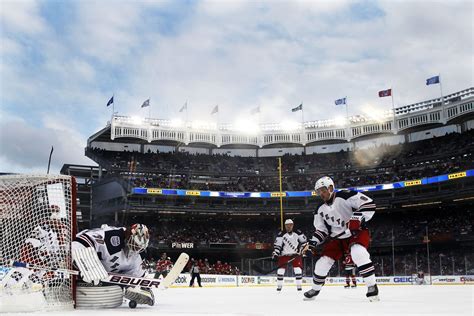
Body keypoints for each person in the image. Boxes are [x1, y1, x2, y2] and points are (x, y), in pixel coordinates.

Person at [303, 176, 379, 301]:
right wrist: (312, 242)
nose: (321, 193)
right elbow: (322, 230)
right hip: (337, 239)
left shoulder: (345, 195)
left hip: (356, 232)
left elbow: (369, 204)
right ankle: (315, 289)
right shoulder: (319, 209)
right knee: (322, 263)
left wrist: (357, 218)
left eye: (323, 190)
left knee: (358, 253)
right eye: (318, 191)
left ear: (331, 188)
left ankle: (372, 286)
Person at [72, 223, 155, 306]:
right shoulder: (111, 236)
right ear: (129, 236)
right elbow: (79, 242)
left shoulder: (140, 254)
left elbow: (137, 274)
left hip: (104, 278)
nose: (137, 249)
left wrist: (140, 286)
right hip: (81, 261)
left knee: (134, 283)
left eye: (140, 246)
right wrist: (87, 263)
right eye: (135, 244)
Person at [272, 219, 307, 291]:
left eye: (290, 225)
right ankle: (279, 288)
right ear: (285, 226)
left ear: (293, 225)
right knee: (280, 271)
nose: (289, 226)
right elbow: (277, 246)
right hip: (284, 255)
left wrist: (302, 251)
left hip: (295, 255)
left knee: (298, 270)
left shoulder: (298, 232)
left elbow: (304, 243)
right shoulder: (281, 234)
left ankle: (299, 288)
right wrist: (276, 253)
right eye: (287, 225)